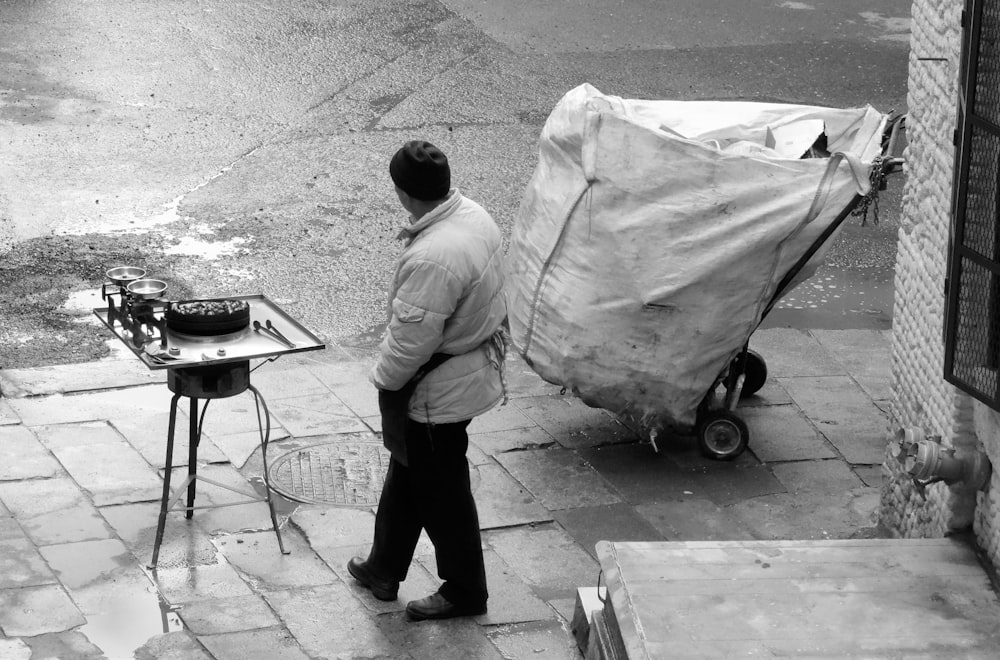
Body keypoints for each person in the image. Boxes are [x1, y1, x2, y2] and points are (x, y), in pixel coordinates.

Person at [347, 140, 507, 621]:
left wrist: (384, 381)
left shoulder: (435, 256)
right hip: (465, 369)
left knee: (442, 492)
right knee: (411, 471)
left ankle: (465, 591)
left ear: (402, 191)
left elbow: (409, 345)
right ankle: (384, 567)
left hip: (437, 388)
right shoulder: (472, 215)